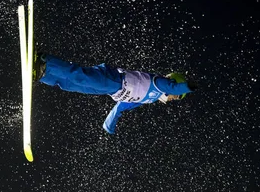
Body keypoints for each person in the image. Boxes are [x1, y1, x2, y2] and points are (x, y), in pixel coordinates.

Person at [35, 53, 196, 134]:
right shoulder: (160, 83)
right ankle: (46, 62)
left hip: (110, 90)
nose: (175, 98)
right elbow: (173, 88)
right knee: (81, 76)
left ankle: (43, 75)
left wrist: (109, 125)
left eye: (178, 98)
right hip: (113, 79)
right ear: (174, 81)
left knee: (73, 85)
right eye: (178, 96)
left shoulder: (151, 98)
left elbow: (121, 107)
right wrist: (188, 87)